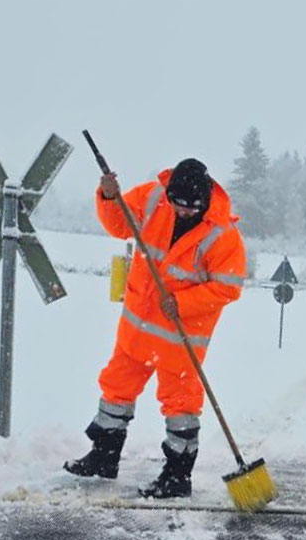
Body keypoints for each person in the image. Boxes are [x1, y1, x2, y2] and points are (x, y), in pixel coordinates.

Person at [64, 157, 247, 497]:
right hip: (137, 327)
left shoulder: (223, 235)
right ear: (169, 194)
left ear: (205, 201)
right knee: (116, 388)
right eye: (178, 205)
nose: (183, 213)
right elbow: (119, 225)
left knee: (181, 406)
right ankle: (104, 457)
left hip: (180, 339)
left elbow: (228, 287)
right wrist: (108, 197)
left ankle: (177, 476)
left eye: (191, 209)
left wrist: (183, 303)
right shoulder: (153, 198)